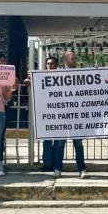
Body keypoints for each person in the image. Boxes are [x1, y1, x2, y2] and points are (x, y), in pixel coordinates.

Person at [60, 50, 88, 178]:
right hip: (62, 116)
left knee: (78, 143)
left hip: (77, 116)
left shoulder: (80, 74)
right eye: (72, 58)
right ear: (65, 60)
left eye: (75, 58)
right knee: (60, 143)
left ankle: (82, 169)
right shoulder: (58, 75)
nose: (75, 60)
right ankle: (57, 168)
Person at [40, 56, 66, 177]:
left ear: (57, 65)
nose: (50, 66)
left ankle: (57, 164)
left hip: (61, 114)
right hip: (46, 114)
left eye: (52, 64)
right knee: (46, 140)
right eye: (48, 64)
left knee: (59, 141)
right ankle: (47, 164)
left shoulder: (63, 77)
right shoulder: (40, 78)